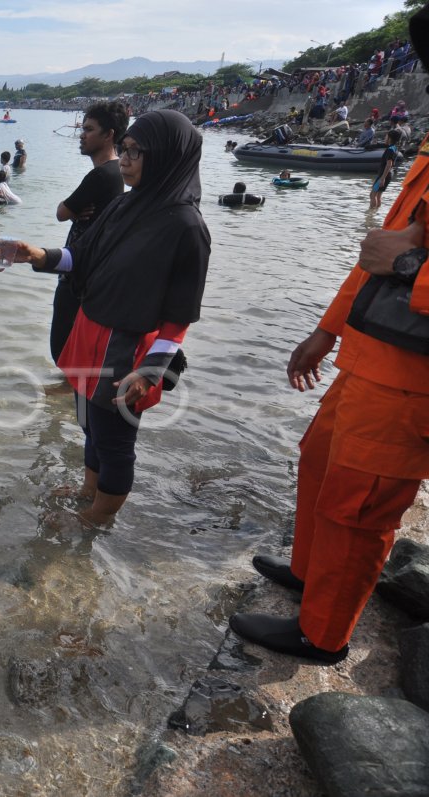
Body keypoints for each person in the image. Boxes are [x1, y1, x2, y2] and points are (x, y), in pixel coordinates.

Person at [230, 1, 429, 668]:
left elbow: (390, 257)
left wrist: (405, 263)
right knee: (319, 459)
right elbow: (372, 258)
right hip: (372, 357)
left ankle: (324, 634)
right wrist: (325, 331)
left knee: (360, 504)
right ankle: (312, 574)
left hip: (411, 381)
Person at [0, 109, 210, 525]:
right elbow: (82, 257)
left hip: (129, 350)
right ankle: (88, 490)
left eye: (136, 151)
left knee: (115, 439)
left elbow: (180, 317)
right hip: (89, 332)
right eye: (125, 148)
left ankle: (98, 517)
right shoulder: (124, 206)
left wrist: (150, 371)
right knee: (90, 425)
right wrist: (36, 255)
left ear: (167, 157)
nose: (125, 158)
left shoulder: (187, 227)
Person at [51, 100, 130, 364]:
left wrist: (71, 210)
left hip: (79, 274)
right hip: (93, 273)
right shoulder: (116, 172)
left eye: (89, 129)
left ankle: (68, 399)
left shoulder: (101, 176)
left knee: (63, 350)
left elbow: (61, 212)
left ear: (109, 135)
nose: (82, 135)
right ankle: (68, 403)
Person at [370, 129, 402, 211]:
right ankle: (375, 213)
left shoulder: (390, 150)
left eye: (386, 136)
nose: (385, 138)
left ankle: (370, 215)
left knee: (372, 195)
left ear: (390, 138)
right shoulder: (394, 148)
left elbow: (389, 164)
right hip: (388, 174)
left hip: (384, 175)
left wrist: (382, 178)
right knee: (378, 195)